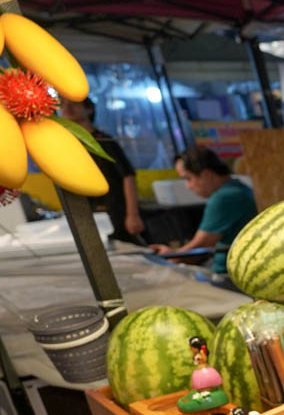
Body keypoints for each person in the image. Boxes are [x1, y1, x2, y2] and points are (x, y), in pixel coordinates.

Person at [149, 146, 258, 282]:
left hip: (230, 276)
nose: (188, 186)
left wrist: (169, 256)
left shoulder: (224, 198)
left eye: (188, 178)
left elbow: (199, 248)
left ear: (206, 174)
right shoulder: (237, 188)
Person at [59, 97, 143, 244]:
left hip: (115, 211)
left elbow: (128, 177)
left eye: (73, 103)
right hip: (87, 212)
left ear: (89, 109)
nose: (67, 108)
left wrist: (133, 214)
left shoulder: (104, 141)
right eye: (63, 104)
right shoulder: (65, 144)